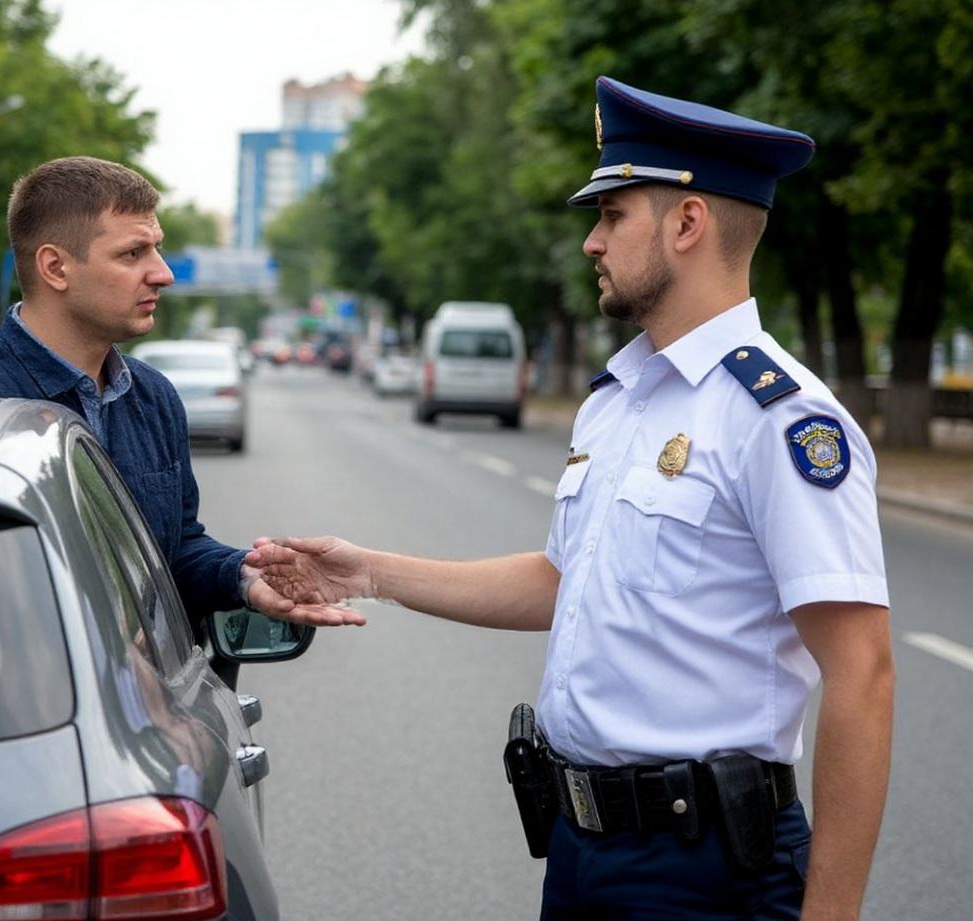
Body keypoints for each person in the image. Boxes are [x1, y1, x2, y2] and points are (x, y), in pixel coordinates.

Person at [247, 77, 894, 920]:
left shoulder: (780, 417)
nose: (591, 241)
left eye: (612, 215)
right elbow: (563, 580)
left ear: (687, 224)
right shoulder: (619, 400)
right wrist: (365, 572)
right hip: (581, 850)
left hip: (708, 870)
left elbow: (862, 672)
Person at [0, 156, 364, 635]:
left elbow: (174, 550)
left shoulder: (153, 396)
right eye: (133, 254)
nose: (163, 273)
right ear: (55, 267)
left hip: (141, 682)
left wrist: (244, 577)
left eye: (157, 249)